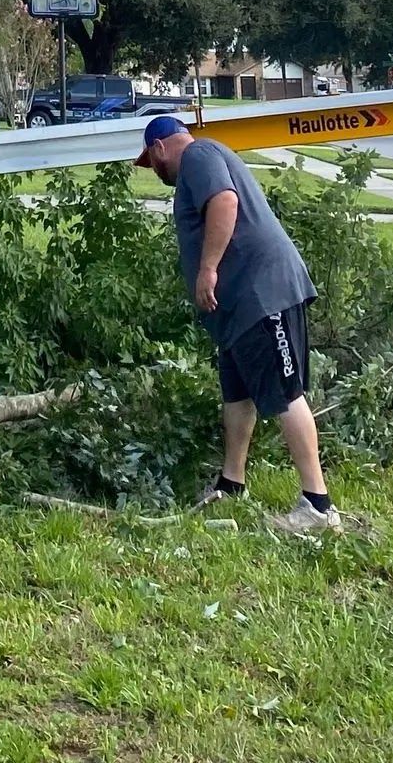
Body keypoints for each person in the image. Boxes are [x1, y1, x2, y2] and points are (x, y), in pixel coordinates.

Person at [136, 114, 341, 535]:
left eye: (151, 163)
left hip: (262, 294)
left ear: (159, 149)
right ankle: (232, 483)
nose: (155, 172)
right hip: (238, 309)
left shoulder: (199, 154)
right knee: (237, 394)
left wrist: (208, 269)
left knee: (286, 391)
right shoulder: (201, 158)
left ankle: (318, 506)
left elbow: (225, 201)